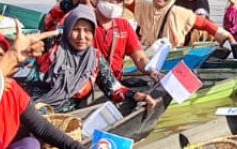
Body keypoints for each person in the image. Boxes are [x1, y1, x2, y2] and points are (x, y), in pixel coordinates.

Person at [24, 7, 157, 114]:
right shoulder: (52, 47)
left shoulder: (95, 59)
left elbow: (114, 90)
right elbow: (50, 19)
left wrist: (137, 96)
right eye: (75, 30)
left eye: (87, 31)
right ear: (67, 30)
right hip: (32, 109)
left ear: (93, 33)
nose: (81, 36)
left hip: (65, 118)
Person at [43, 0, 161, 84]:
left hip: (114, 85)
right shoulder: (83, 23)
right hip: (83, 85)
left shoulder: (123, 25)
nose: (113, 1)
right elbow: (51, 21)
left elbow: (140, 58)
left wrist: (152, 70)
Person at [131, 0, 233, 50]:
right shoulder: (145, 7)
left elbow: (204, 23)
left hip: (171, 52)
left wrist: (226, 36)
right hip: (148, 51)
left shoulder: (179, 12)